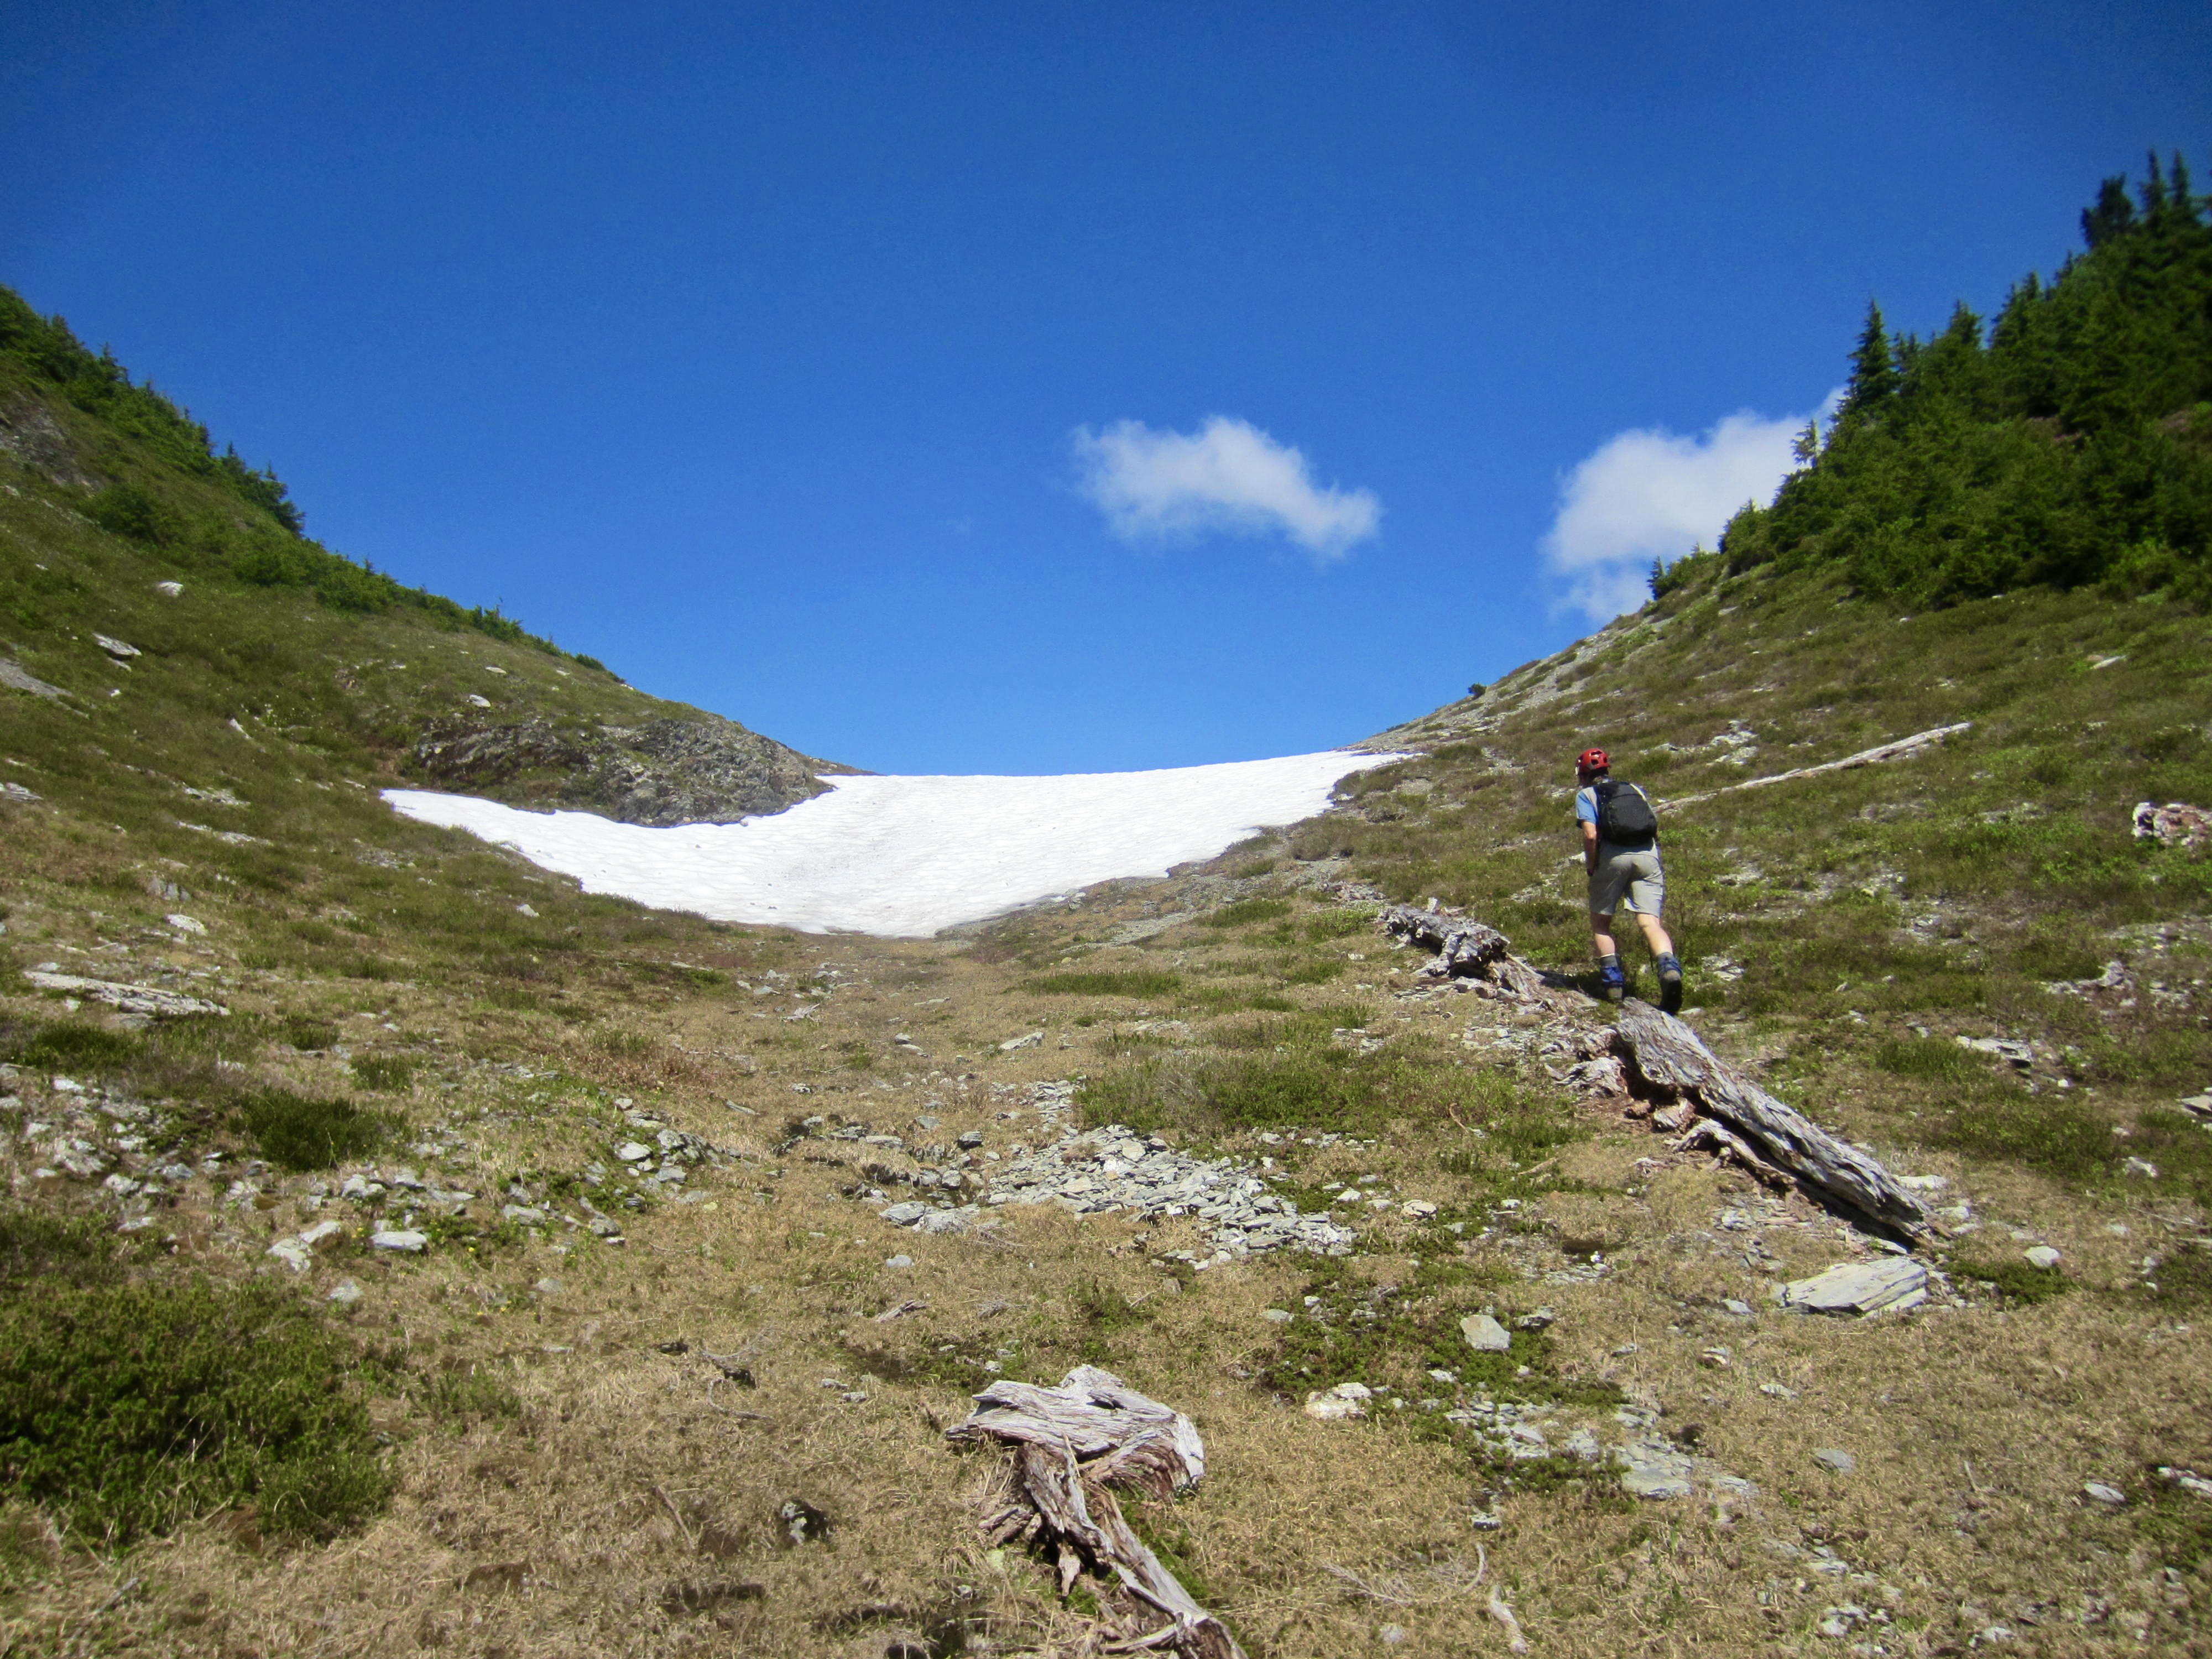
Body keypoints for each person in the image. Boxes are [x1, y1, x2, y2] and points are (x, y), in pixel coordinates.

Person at [1573, 747, 1683, 1013]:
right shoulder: (1634, 789)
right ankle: (1669, 969)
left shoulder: (1586, 795)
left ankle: (1613, 987)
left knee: (1601, 925)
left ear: (1583, 774)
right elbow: (1652, 824)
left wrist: (1592, 866)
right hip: (1648, 855)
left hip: (1613, 858)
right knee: (1650, 923)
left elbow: (1590, 835)